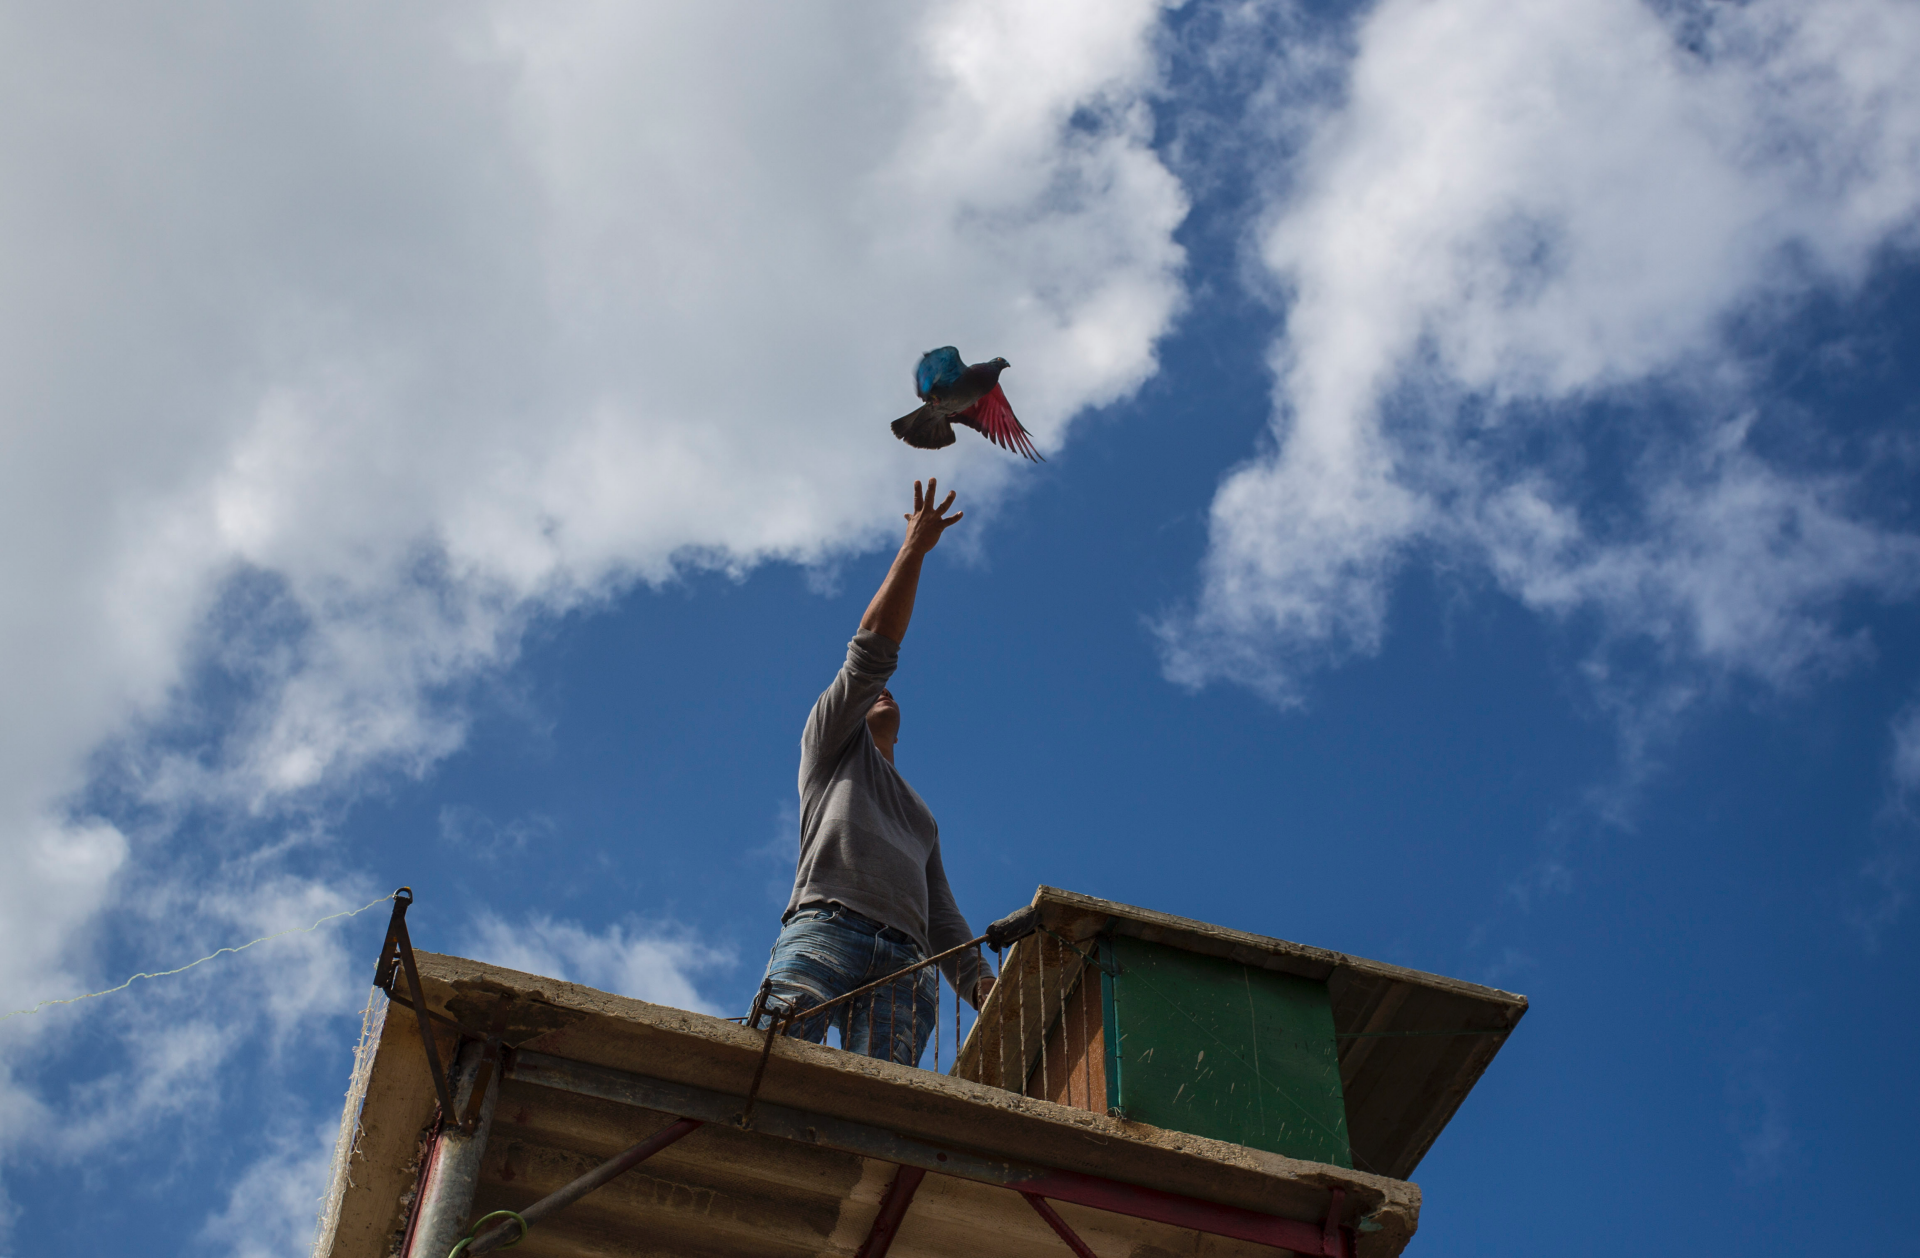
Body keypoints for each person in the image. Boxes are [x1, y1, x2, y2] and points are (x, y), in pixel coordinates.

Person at [755, 478, 996, 1064]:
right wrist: (913, 548)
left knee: (883, 1101)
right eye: (873, 693)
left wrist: (985, 987)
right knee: (770, 1061)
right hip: (825, 927)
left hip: (907, 963)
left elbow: (942, 916)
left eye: (891, 693)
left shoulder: (921, 817)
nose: (884, 692)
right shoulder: (832, 744)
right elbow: (870, 655)